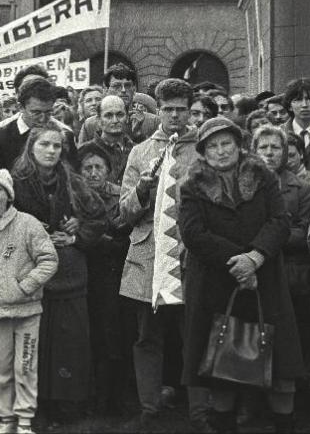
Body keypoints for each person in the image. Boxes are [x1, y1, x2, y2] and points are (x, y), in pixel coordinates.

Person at [179, 117, 303, 434]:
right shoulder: (191, 186)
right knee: (223, 370)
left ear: (239, 145)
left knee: (280, 373)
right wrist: (238, 262)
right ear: (203, 152)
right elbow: (194, 234)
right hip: (216, 287)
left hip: (266, 284)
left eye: (227, 144)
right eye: (213, 146)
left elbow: (280, 221)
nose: (221, 151)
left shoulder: (262, 177)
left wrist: (255, 257)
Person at [116, 77, 208, 430]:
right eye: (167, 109)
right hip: (147, 259)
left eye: (180, 109)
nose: (173, 116)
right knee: (146, 337)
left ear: (189, 110)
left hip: (189, 258)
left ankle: (199, 411)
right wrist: (142, 189)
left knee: (194, 333)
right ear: (159, 109)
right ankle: (149, 408)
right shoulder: (140, 152)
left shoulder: (201, 149)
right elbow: (122, 214)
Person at [10, 121, 105, 425]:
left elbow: (100, 219)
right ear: (31, 147)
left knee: (70, 343)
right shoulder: (16, 182)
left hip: (69, 276)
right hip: (32, 277)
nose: (51, 151)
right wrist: (34, 234)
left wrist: (78, 232)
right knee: (32, 344)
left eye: (56, 146)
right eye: (44, 145)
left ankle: (69, 401)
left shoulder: (73, 182)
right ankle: (35, 404)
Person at [0, 168, 58, 434]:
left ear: (9, 195)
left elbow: (49, 260)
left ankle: (24, 421)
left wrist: (26, 286)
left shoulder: (27, 224)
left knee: (25, 365)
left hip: (27, 310)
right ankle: (5, 419)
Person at [77, 141, 132, 415]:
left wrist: (95, 237)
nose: (93, 173)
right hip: (84, 272)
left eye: (99, 167)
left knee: (113, 334)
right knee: (87, 334)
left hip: (113, 274)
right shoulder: (73, 197)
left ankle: (113, 398)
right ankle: (90, 395)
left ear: (109, 171)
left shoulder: (121, 197)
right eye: (87, 168)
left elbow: (126, 237)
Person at [252, 125, 310, 374]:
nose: (269, 152)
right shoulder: (242, 185)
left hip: (290, 275)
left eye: (275, 147)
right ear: (253, 152)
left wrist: (265, 238)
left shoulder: (302, 188)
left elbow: (302, 234)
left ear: (285, 152)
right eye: (263, 147)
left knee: (291, 335)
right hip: (253, 273)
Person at [0, 78, 78, 173]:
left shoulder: (66, 135)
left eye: (48, 112)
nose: (43, 119)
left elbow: (72, 177)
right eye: (36, 113)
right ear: (20, 107)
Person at [77, 64, 160, 145]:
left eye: (127, 85)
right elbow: (81, 156)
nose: (123, 90)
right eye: (117, 86)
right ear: (106, 90)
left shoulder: (152, 122)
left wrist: (138, 135)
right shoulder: (91, 124)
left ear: (134, 89)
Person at [86, 95, 134, 184]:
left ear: (127, 118)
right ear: (99, 120)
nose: (115, 120)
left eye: (120, 115)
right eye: (108, 115)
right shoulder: (84, 152)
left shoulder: (137, 151)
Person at [284, 78, 310, 172]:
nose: (304, 105)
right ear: (289, 106)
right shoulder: (279, 134)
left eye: (309, 99)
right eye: (298, 100)